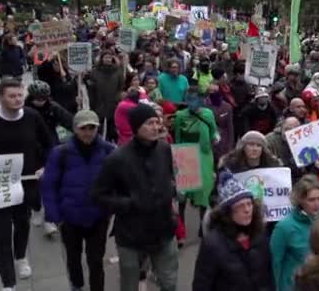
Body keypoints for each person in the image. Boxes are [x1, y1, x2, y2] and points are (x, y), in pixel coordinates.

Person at [92, 103, 179, 291]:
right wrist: (129, 203)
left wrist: (171, 195)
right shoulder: (117, 159)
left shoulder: (164, 149)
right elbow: (99, 195)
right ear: (136, 127)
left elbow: (170, 177)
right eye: (149, 123)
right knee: (130, 284)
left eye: (157, 122)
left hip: (164, 230)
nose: (156, 127)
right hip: (131, 235)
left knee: (169, 282)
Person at [0, 78, 54, 291]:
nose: (17, 99)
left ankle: (21, 257)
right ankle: (8, 283)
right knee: (1, 233)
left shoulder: (32, 117)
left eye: (20, 95)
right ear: (0, 98)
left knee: (22, 224)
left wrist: (45, 166)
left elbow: (50, 144)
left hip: (26, 183)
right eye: (12, 96)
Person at [41, 110, 115, 291]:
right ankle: (77, 284)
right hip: (70, 217)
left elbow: (119, 180)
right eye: (83, 128)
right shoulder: (61, 153)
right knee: (73, 257)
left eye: (92, 128)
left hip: (98, 217)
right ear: (75, 129)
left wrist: (111, 207)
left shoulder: (109, 151)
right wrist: (55, 215)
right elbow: (49, 185)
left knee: (96, 260)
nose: (88, 132)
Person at [192, 171, 274, 291]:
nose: (247, 210)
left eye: (249, 204)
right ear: (227, 212)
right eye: (240, 206)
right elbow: (202, 285)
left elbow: (268, 277)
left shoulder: (260, 235)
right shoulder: (212, 244)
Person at [173, 85, 219, 236]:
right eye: (189, 99)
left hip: (204, 155)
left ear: (202, 99)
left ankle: (202, 227)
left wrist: (215, 139)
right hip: (186, 154)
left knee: (204, 193)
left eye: (195, 99)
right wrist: (177, 159)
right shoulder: (180, 115)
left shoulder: (208, 114)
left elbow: (214, 132)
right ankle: (181, 229)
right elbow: (177, 137)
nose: (192, 102)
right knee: (183, 196)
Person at [270, 176, 319, 291]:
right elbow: (274, 263)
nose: (317, 204)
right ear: (300, 200)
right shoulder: (284, 227)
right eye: (311, 200)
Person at [85, 50, 126, 142]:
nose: (108, 59)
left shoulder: (118, 71)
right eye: (106, 57)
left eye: (110, 57)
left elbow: (121, 87)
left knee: (113, 130)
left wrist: (117, 99)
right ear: (102, 59)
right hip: (99, 104)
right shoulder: (95, 72)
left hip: (113, 104)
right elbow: (91, 90)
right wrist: (93, 106)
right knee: (100, 129)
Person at [25, 80, 74, 144]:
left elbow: (69, 120)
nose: (41, 102)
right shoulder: (24, 108)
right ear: (32, 97)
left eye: (44, 99)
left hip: (49, 135)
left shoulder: (53, 107)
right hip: (31, 136)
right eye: (39, 99)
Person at [266, 116, 304, 183]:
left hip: (298, 176)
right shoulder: (270, 140)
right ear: (281, 129)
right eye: (287, 129)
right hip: (277, 176)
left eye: (294, 130)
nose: (289, 133)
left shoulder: (304, 140)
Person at [204, 81, 235, 163]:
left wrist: (230, 147)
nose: (213, 93)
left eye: (215, 91)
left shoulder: (227, 107)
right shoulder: (203, 105)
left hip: (222, 144)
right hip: (207, 142)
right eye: (210, 91)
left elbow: (230, 127)